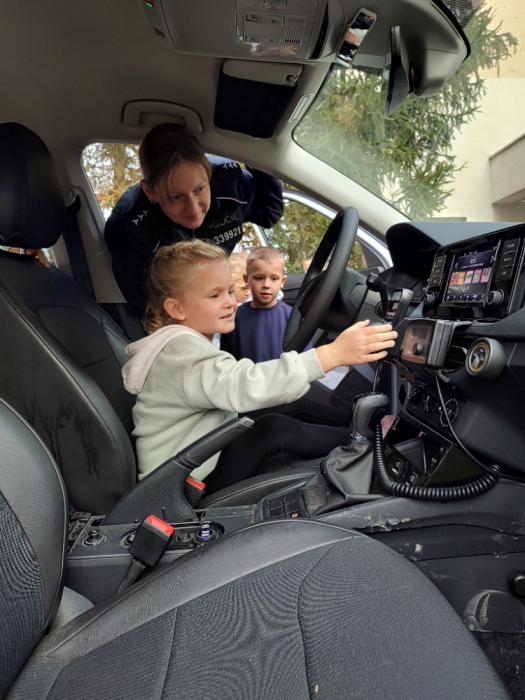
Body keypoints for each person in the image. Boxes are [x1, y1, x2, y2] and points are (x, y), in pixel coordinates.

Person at [122, 239, 397, 491]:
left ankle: (357, 431)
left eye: (230, 291)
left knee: (281, 407)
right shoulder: (181, 352)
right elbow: (243, 384)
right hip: (179, 484)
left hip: (193, 460)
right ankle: (373, 442)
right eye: (214, 295)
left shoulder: (177, 344)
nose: (231, 302)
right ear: (177, 309)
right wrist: (331, 355)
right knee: (273, 429)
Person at [104, 123, 283, 315]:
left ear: (209, 174)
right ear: (150, 192)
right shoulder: (129, 226)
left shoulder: (230, 183)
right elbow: (145, 303)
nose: (194, 209)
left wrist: (255, 153)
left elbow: (269, 213)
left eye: (199, 189)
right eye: (176, 197)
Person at [220, 247, 291, 362]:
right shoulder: (235, 316)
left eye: (274, 278)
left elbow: (303, 357)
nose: (266, 284)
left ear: (282, 281)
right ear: (246, 279)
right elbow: (228, 359)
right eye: (259, 278)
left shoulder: (291, 316)